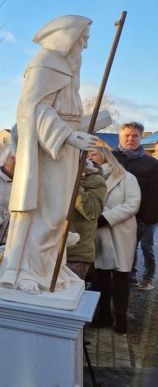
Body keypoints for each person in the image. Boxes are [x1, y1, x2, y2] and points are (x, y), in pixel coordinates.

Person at [0, 15, 99, 297]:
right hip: (48, 150)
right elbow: (33, 109)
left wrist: (89, 124)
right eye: (83, 38)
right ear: (69, 36)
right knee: (49, 210)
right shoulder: (45, 63)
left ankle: (51, 266)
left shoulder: (69, 68)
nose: (85, 45)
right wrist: (68, 135)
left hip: (65, 148)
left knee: (62, 212)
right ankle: (28, 271)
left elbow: (69, 113)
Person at [88, 146, 141, 334]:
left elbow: (132, 204)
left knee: (121, 279)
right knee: (101, 278)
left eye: (93, 153)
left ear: (105, 155)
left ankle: (120, 319)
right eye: (87, 154)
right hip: (100, 234)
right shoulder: (88, 179)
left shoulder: (127, 178)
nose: (89, 157)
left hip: (120, 232)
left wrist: (106, 218)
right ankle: (103, 316)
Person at [112, 121, 158, 291]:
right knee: (115, 250)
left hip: (141, 216)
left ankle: (140, 279)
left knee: (137, 248)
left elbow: (155, 194)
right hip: (113, 214)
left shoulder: (152, 163)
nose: (130, 138)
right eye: (127, 135)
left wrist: (148, 219)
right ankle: (124, 278)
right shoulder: (111, 158)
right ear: (120, 136)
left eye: (135, 135)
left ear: (140, 138)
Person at [65, 160, 106, 280]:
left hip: (74, 254)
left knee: (68, 294)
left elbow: (93, 211)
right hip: (46, 251)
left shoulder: (93, 178)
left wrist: (73, 185)